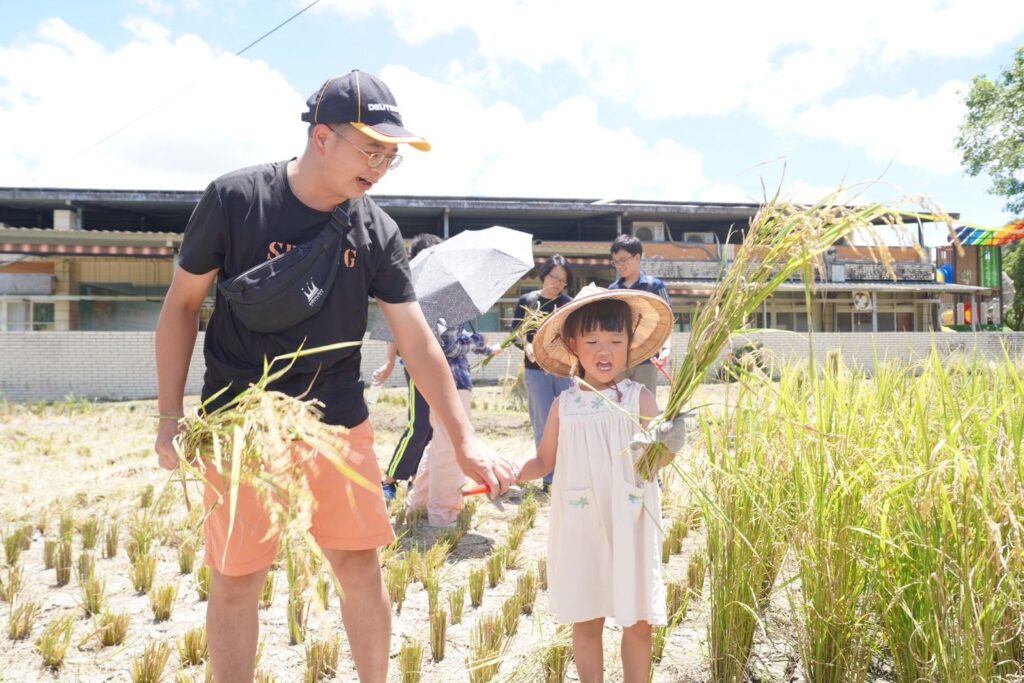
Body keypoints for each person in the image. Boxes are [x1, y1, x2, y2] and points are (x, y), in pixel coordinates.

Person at [153, 70, 516, 683]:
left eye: (390, 156)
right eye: (370, 149)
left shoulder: (376, 231)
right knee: (238, 577)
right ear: (322, 136)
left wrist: (464, 438)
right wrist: (169, 417)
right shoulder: (237, 200)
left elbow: (418, 340)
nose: (379, 165)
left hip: (337, 424)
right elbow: (182, 307)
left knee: (360, 567)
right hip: (241, 426)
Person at [514, 284, 686, 683]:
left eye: (615, 339)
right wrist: (511, 472)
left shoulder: (639, 399)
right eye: (591, 340)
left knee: (638, 620)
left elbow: (655, 463)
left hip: (631, 521)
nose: (604, 350)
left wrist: (671, 439)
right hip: (581, 525)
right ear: (573, 344)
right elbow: (544, 461)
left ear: (630, 345)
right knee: (586, 616)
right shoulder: (564, 405)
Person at [408, 318, 501, 526]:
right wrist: (479, 340)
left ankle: (419, 502)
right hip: (452, 383)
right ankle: (443, 514)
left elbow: (453, 338)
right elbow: (449, 347)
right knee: (450, 447)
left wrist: (486, 348)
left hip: (440, 382)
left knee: (440, 444)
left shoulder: (442, 305)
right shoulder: (449, 306)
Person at [372, 233, 443, 501]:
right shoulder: (407, 286)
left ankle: (417, 480)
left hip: (439, 364)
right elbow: (394, 326)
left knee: (435, 425)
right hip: (415, 362)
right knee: (420, 424)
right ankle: (389, 479)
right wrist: (390, 361)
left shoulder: (440, 289)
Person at [511, 254, 574, 488]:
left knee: (568, 422)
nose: (557, 283)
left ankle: (568, 473)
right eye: (554, 277)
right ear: (544, 274)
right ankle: (549, 478)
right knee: (543, 423)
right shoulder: (527, 301)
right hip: (536, 371)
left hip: (563, 371)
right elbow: (516, 333)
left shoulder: (568, 303)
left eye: (563, 280)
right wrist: (526, 346)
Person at [608, 234, 673, 397]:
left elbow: (667, 320)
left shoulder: (655, 286)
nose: (619, 265)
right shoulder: (612, 290)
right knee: (619, 406)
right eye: (615, 261)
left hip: (647, 359)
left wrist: (666, 348)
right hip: (619, 360)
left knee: (645, 407)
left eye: (623, 260)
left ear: (637, 257)